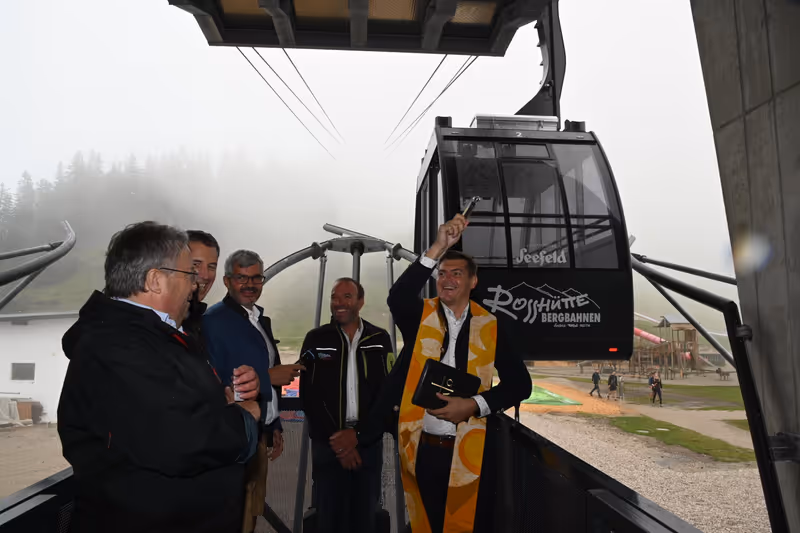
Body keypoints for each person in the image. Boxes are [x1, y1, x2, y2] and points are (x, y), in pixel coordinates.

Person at [58, 222, 261, 533]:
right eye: (189, 274)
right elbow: (180, 439)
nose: (195, 285)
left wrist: (224, 399)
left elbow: (175, 407)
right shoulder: (119, 345)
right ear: (155, 281)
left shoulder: (155, 336)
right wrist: (244, 419)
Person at [342, 214, 532, 533]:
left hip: (471, 450)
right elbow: (398, 297)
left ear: (473, 282)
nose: (447, 280)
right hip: (424, 450)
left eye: (457, 273)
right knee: (425, 524)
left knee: (469, 524)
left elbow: (520, 384)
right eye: (442, 273)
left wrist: (473, 405)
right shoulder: (421, 317)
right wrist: (438, 246)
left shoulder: (491, 326)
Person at [203, 249, 305, 533]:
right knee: (232, 516)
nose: (250, 285)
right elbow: (211, 382)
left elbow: (266, 373)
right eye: (241, 278)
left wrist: (274, 424)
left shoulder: (257, 319)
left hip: (257, 432)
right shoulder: (213, 322)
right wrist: (268, 376)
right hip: (232, 437)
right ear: (227, 281)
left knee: (251, 512)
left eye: (256, 278)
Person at [298, 278, 394, 533]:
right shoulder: (315, 339)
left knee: (365, 516)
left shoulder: (379, 338)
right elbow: (308, 395)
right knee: (328, 517)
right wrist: (339, 442)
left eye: (347, 296)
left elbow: (386, 395)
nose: (339, 303)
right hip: (328, 445)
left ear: (360, 302)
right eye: (334, 297)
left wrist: (359, 435)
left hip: (367, 445)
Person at [182, 229, 221, 341]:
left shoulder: (206, 326)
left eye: (211, 267)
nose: (205, 275)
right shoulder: (157, 322)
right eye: (195, 264)